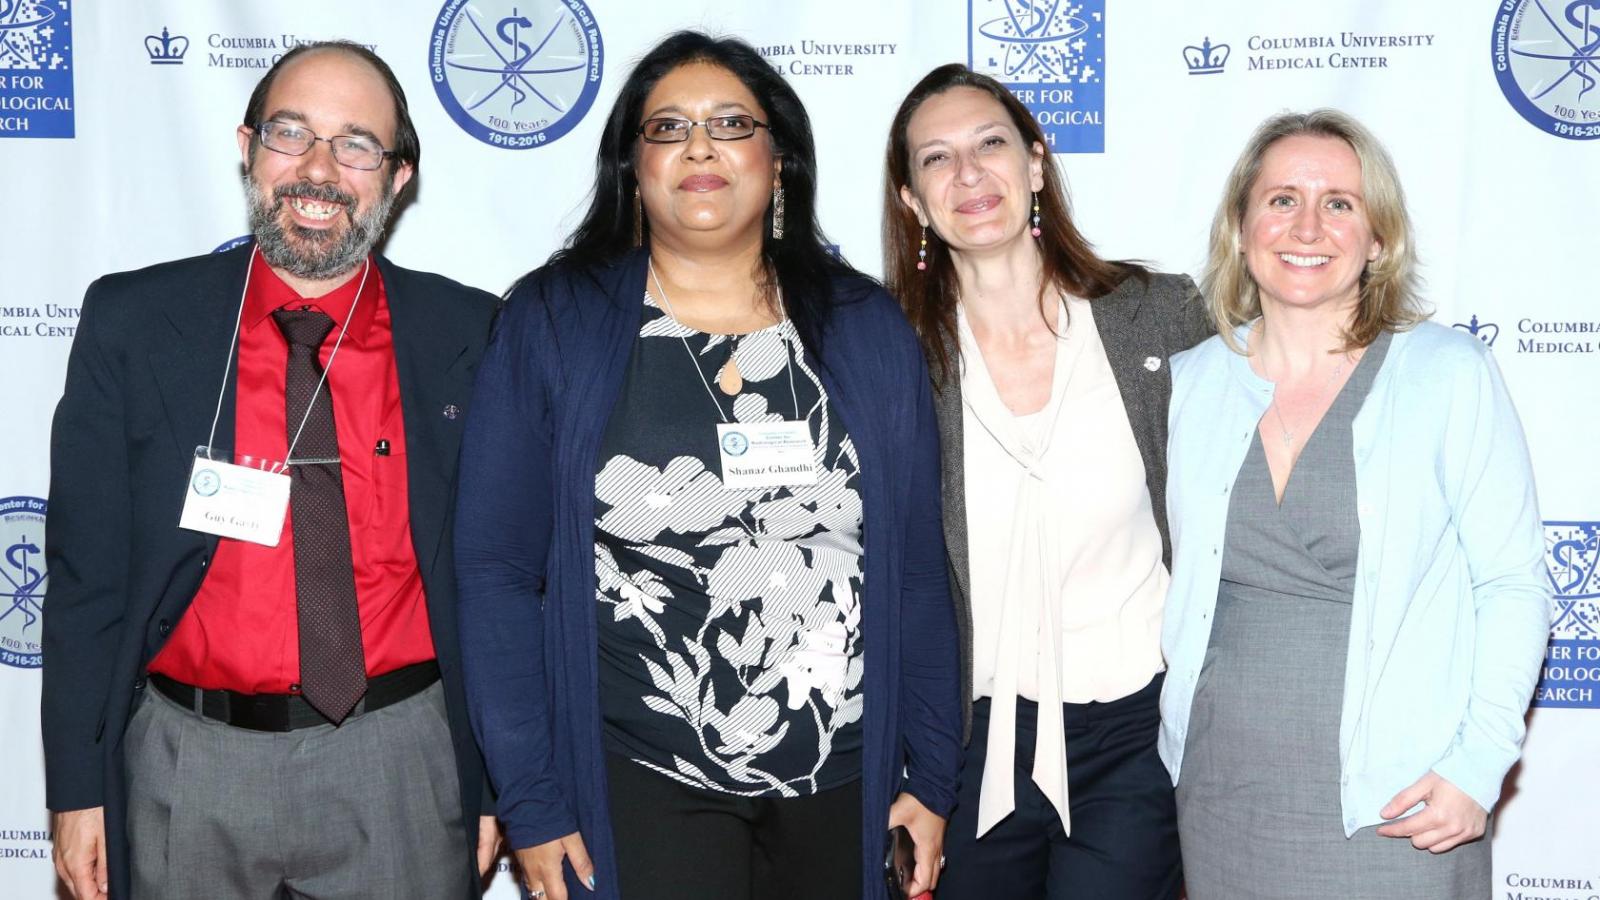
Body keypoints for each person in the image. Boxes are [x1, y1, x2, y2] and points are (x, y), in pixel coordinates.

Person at [454, 31, 961, 900]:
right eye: (667, 128)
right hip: (638, 773)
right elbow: (497, 573)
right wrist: (532, 801)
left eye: (730, 123)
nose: (699, 146)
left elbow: (915, 568)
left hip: (844, 777)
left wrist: (932, 772)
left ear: (779, 159)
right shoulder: (555, 321)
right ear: (632, 166)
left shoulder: (865, 328)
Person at [42, 41, 499, 900]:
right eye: (292, 134)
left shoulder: (470, 334)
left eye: (357, 144)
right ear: (247, 146)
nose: (319, 170)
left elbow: (509, 581)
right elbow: (83, 580)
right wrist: (75, 789)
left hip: (401, 759)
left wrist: (502, 776)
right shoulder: (135, 323)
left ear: (399, 177)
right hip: (189, 761)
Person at [1160, 109, 1550, 899]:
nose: (1308, 224)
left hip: (1402, 800)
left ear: (1378, 238)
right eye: (1281, 200)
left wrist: (1478, 764)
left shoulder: (1446, 373)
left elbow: (1511, 583)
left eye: (1340, 202)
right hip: (1224, 792)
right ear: (1241, 227)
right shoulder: (1190, 381)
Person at [883, 63, 1208, 899]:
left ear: (1035, 164)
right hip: (966, 744)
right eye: (937, 159)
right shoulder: (889, 356)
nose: (969, 175)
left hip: (1136, 731)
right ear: (913, 200)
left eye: (991, 144)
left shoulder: (1159, 315)